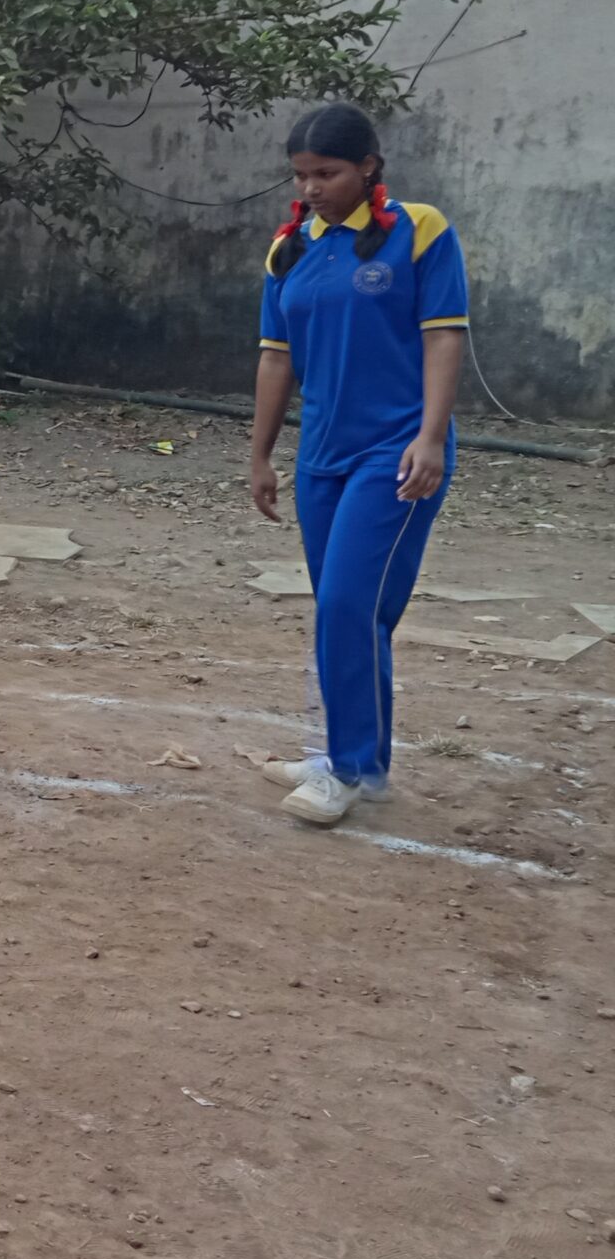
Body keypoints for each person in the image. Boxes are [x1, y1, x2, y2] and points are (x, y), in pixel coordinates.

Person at [250, 103, 469, 828]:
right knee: (347, 610)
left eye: (328, 173)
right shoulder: (289, 248)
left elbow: (443, 337)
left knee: (348, 604)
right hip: (322, 457)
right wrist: (261, 454)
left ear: (368, 166)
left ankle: (345, 770)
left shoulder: (420, 231)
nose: (311, 188)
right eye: (301, 175)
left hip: (396, 452)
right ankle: (363, 766)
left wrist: (430, 438)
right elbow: (275, 358)